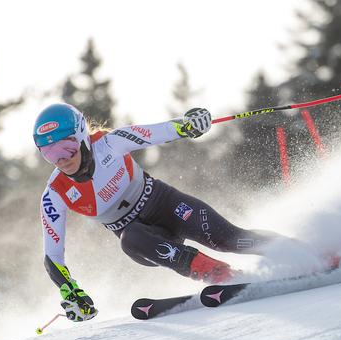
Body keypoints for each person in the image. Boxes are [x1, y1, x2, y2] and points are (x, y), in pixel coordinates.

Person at [34, 103, 280, 322]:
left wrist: (190, 125)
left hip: (165, 205)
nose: (62, 159)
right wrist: (72, 292)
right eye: (49, 153)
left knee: (229, 239)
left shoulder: (110, 143)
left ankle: (294, 249)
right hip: (146, 242)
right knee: (130, 239)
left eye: (66, 148)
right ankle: (219, 274)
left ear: (82, 137)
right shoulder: (54, 194)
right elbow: (52, 257)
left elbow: (159, 132)